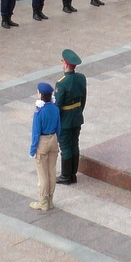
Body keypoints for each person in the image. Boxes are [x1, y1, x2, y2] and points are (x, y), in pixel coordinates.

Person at [55, 49, 87, 186]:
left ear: (66, 64)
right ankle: (72, 174)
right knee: (75, 145)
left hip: (66, 120)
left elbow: (58, 106)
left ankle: (66, 175)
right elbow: (83, 99)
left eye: (63, 61)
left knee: (66, 147)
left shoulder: (61, 83)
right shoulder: (81, 78)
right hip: (77, 117)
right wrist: (78, 112)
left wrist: (56, 123)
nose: (62, 63)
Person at [29, 82, 61, 211]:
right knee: (52, 171)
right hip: (53, 139)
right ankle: (51, 200)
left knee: (42, 174)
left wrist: (32, 150)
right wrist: (57, 139)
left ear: (41, 95)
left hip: (42, 141)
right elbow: (59, 127)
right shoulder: (55, 108)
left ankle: (43, 201)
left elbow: (36, 133)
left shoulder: (39, 112)